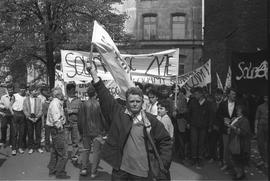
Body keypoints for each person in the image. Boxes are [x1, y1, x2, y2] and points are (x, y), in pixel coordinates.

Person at [88, 64, 172, 180]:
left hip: (142, 173)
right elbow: (105, 96)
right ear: (126, 102)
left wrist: (162, 163)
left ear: (142, 102)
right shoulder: (120, 114)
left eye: (138, 101)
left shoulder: (150, 120)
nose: (135, 103)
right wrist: (94, 75)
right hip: (121, 171)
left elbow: (165, 141)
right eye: (131, 101)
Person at [77, 84, 108, 178]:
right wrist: (105, 131)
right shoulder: (99, 104)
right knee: (96, 152)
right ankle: (94, 172)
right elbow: (103, 119)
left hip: (86, 131)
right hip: (97, 131)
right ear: (96, 93)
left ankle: (84, 169)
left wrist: (80, 131)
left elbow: (80, 119)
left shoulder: (83, 104)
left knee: (86, 150)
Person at [46, 87, 70, 179]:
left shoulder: (56, 102)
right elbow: (57, 119)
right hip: (57, 129)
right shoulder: (55, 103)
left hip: (54, 129)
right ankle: (59, 172)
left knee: (55, 152)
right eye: (61, 93)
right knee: (63, 153)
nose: (63, 95)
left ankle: (52, 171)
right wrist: (60, 129)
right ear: (58, 95)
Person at [187, 87, 213, 169]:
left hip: (203, 127)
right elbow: (189, 113)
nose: (195, 95)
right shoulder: (192, 102)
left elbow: (210, 116)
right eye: (194, 94)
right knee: (193, 142)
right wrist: (188, 122)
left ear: (201, 94)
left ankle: (200, 158)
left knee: (201, 143)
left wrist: (209, 126)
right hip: (194, 126)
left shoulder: (208, 103)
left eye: (196, 94)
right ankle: (194, 158)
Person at [216, 88, 238, 172]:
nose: (234, 96)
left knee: (233, 147)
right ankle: (226, 163)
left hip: (234, 129)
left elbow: (242, 115)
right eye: (232, 94)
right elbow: (218, 114)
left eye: (235, 94)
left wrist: (236, 118)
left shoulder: (238, 104)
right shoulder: (223, 104)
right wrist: (223, 119)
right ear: (228, 94)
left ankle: (233, 164)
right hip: (225, 129)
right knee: (225, 147)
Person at [227, 105, 251, 180]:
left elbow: (243, 132)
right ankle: (239, 173)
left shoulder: (245, 120)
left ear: (242, 111)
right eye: (237, 110)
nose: (237, 111)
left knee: (237, 159)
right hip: (234, 141)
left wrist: (232, 127)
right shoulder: (237, 118)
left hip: (240, 143)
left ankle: (239, 174)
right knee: (235, 158)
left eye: (238, 110)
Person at [23, 85, 43, 154]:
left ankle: (38, 147)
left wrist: (37, 117)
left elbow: (41, 109)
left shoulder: (39, 99)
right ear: (31, 92)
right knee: (30, 134)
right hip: (29, 118)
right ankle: (31, 147)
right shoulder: (26, 99)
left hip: (38, 118)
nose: (36, 92)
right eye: (35, 90)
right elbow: (24, 109)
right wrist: (29, 117)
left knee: (38, 134)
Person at [64, 83, 81, 162]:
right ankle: (64, 155)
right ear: (68, 90)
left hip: (75, 123)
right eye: (71, 90)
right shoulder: (64, 100)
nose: (73, 91)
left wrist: (72, 111)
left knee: (75, 141)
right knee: (65, 140)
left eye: (73, 90)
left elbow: (81, 111)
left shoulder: (78, 100)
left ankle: (74, 155)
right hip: (66, 123)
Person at [10, 83, 27, 155]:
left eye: (24, 88)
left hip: (22, 114)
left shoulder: (26, 96)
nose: (23, 90)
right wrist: (12, 112)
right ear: (19, 89)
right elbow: (10, 105)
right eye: (22, 88)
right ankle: (14, 149)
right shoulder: (15, 95)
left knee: (22, 132)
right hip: (15, 114)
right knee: (14, 132)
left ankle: (20, 147)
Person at [255, 95, 268, 168]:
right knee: (260, 144)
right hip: (261, 127)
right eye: (266, 97)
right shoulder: (260, 107)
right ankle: (264, 160)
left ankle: (266, 160)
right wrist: (255, 129)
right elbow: (256, 118)